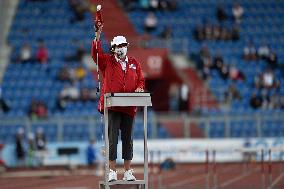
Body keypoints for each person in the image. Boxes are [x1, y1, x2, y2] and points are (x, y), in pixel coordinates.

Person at [91, 24, 145, 182]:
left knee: (128, 139)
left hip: (129, 107)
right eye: (117, 46)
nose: (120, 49)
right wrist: (97, 36)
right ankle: (112, 170)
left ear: (127, 47)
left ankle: (128, 171)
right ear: (113, 48)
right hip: (113, 106)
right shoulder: (107, 62)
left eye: (123, 46)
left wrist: (140, 88)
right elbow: (95, 54)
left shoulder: (135, 63)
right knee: (112, 138)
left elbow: (141, 80)